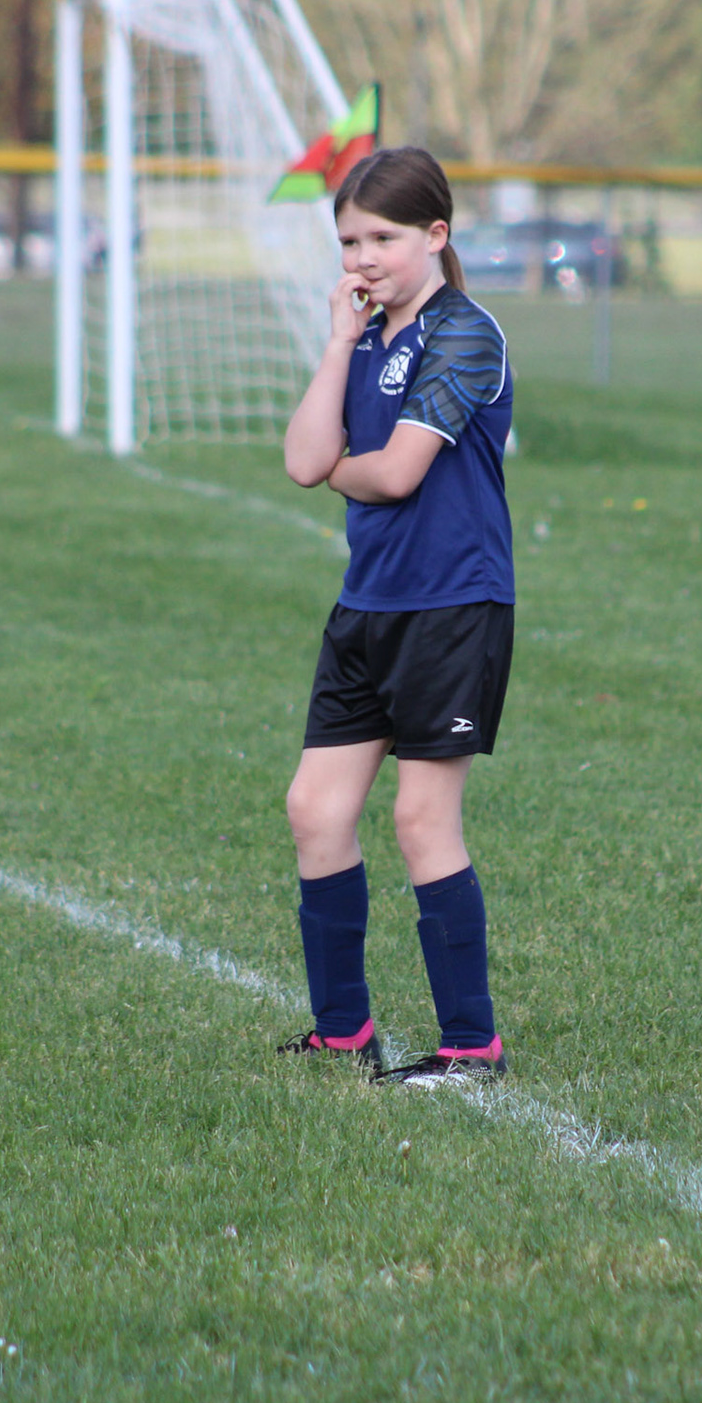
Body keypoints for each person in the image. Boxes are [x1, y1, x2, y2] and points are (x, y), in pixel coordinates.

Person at [275, 146, 514, 1086]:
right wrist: (338, 342)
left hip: (451, 607)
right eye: (349, 242)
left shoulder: (466, 334)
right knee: (314, 809)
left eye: (383, 238)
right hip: (367, 606)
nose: (363, 258)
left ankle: (471, 1043)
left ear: (436, 235)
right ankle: (344, 1030)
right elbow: (303, 458)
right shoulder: (366, 336)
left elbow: (398, 473)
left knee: (422, 820)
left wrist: (339, 468)